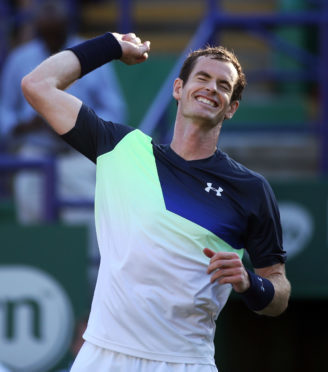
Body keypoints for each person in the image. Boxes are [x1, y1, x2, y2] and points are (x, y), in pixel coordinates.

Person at [21, 31, 291, 371]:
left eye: (224, 86)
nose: (211, 88)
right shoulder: (120, 148)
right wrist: (111, 46)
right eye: (203, 78)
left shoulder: (251, 189)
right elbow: (38, 84)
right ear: (178, 89)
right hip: (103, 357)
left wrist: (252, 283)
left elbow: (279, 293)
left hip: (184, 362)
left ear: (232, 108)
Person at [0, 0, 126, 224]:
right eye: (45, 34)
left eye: (55, 33)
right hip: (35, 152)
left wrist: (80, 123)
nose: (51, 40)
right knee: (32, 227)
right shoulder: (21, 58)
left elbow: (115, 110)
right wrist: (24, 124)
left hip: (77, 154)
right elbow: (4, 110)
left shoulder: (91, 54)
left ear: (67, 27)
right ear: (37, 31)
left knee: (85, 224)